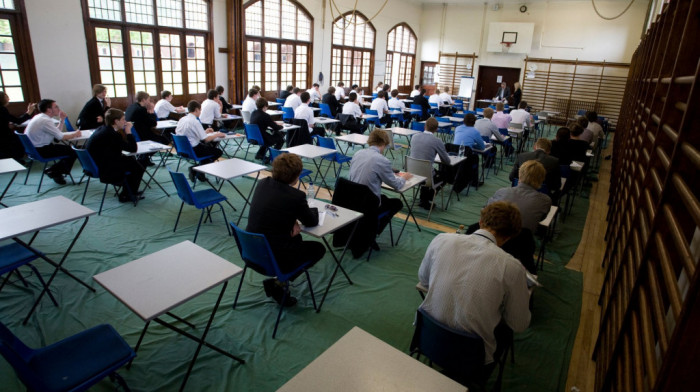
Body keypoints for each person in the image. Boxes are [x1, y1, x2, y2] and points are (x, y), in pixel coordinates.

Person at [418, 201, 531, 368]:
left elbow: (424, 280)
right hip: (472, 358)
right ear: (508, 237)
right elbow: (519, 324)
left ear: (480, 222)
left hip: (427, 338)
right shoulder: (512, 267)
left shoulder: (441, 239)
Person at [246, 153, 326, 306]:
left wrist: (292, 220)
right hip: (273, 257)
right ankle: (279, 283)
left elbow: (273, 210)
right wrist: (306, 213)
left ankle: (279, 282)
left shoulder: (262, 183)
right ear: (296, 176)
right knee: (318, 248)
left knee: (296, 239)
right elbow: (310, 221)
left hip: (251, 251)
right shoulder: (296, 196)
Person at [349, 129, 412, 244]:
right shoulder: (382, 160)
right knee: (397, 203)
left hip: (352, 200)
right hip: (368, 205)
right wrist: (405, 177)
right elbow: (397, 185)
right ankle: (373, 230)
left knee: (384, 198)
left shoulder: (358, 154)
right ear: (384, 143)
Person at [488, 160, 551, 273]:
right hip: (521, 250)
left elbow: (487, 212)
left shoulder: (502, 192)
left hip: (493, 241)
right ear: (541, 179)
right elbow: (541, 218)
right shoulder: (545, 201)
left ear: (520, 174)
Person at [85, 108, 145, 203]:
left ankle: (128, 191)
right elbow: (133, 149)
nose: (125, 122)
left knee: (133, 162)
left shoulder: (101, 129)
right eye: (123, 119)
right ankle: (126, 195)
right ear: (116, 121)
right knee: (138, 167)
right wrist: (129, 131)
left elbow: (117, 147)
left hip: (95, 165)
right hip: (105, 169)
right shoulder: (111, 134)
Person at [25, 99, 81, 184]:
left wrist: (61, 120)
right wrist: (75, 134)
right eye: (56, 107)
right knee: (75, 151)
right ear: (49, 109)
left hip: (33, 149)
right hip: (41, 150)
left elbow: (56, 133)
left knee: (71, 150)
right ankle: (55, 172)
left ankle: (54, 171)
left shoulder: (39, 116)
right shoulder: (45, 121)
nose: (58, 109)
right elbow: (60, 137)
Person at [175, 100, 225, 181]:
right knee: (217, 152)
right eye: (200, 110)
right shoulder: (195, 121)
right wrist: (217, 134)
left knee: (208, 151)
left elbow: (188, 134)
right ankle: (196, 170)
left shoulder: (182, 119)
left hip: (183, 149)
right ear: (196, 110)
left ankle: (200, 174)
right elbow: (206, 139)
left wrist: (204, 132)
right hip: (194, 150)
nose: (200, 112)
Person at [410, 117, 451, 209]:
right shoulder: (437, 141)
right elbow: (447, 161)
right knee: (445, 176)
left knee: (426, 169)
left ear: (425, 126)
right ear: (436, 129)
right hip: (426, 175)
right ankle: (427, 198)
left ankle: (423, 198)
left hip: (411, 172)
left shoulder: (414, 136)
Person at [0, 91, 34, 161]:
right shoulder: (2, 109)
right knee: (20, 141)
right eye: (6, 97)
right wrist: (29, 112)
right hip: (4, 136)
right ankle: (16, 159)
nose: (8, 99)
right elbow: (18, 121)